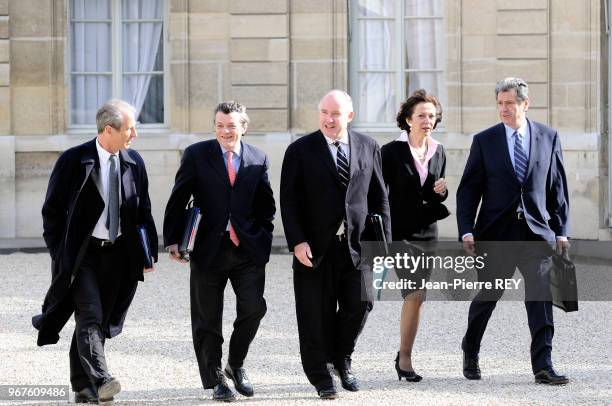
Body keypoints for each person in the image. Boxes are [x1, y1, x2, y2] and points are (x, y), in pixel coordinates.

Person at [33, 99, 158, 405]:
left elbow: (143, 212)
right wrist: (60, 254)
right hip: (83, 256)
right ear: (108, 130)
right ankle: (102, 379)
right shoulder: (74, 161)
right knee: (89, 316)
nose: (134, 135)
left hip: (118, 256)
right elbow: (51, 212)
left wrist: (147, 253)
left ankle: (82, 386)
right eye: (130, 129)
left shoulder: (134, 161)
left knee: (101, 322)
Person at [456, 77, 570, 384]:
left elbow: (557, 187)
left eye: (510, 103)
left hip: (536, 232)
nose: (504, 109)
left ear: (524, 104)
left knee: (540, 296)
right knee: (489, 294)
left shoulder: (548, 136)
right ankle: (471, 348)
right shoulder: (485, 140)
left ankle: (543, 365)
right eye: (500, 104)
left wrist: (561, 231)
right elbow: (468, 190)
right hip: (495, 233)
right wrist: (466, 230)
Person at [280, 89, 390, 399]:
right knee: (315, 313)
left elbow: (380, 198)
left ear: (349, 116)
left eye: (336, 114)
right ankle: (321, 376)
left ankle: (341, 358)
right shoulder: (300, 150)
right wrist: (298, 242)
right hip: (314, 248)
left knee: (362, 302)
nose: (329, 119)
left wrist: (385, 247)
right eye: (325, 113)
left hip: (357, 246)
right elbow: (289, 201)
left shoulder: (369, 147)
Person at [163, 101, 275, 402]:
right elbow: (178, 198)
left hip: (247, 249)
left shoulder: (258, 158)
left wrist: (263, 238)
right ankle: (215, 380)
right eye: (220, 125)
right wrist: (173, 240)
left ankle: (235, 364)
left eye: (231, 125)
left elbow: (267, 205)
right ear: (215, 126)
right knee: (207, 319)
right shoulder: (197, 155)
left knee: (254, 309)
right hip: (208, 249)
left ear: (244, 127)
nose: (225, 131)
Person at [381, 89, 448, 382]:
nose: (427, 120)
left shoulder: (439, 150)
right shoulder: (389, 152)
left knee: (418, 297)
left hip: (426, 233)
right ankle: (402, 358)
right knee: (412, 292)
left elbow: (434, 195)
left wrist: (441, 192)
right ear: (408, 120)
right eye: (421, 115)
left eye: (431, 116)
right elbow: (378, 193)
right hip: (398, 233)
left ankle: (403, 356)